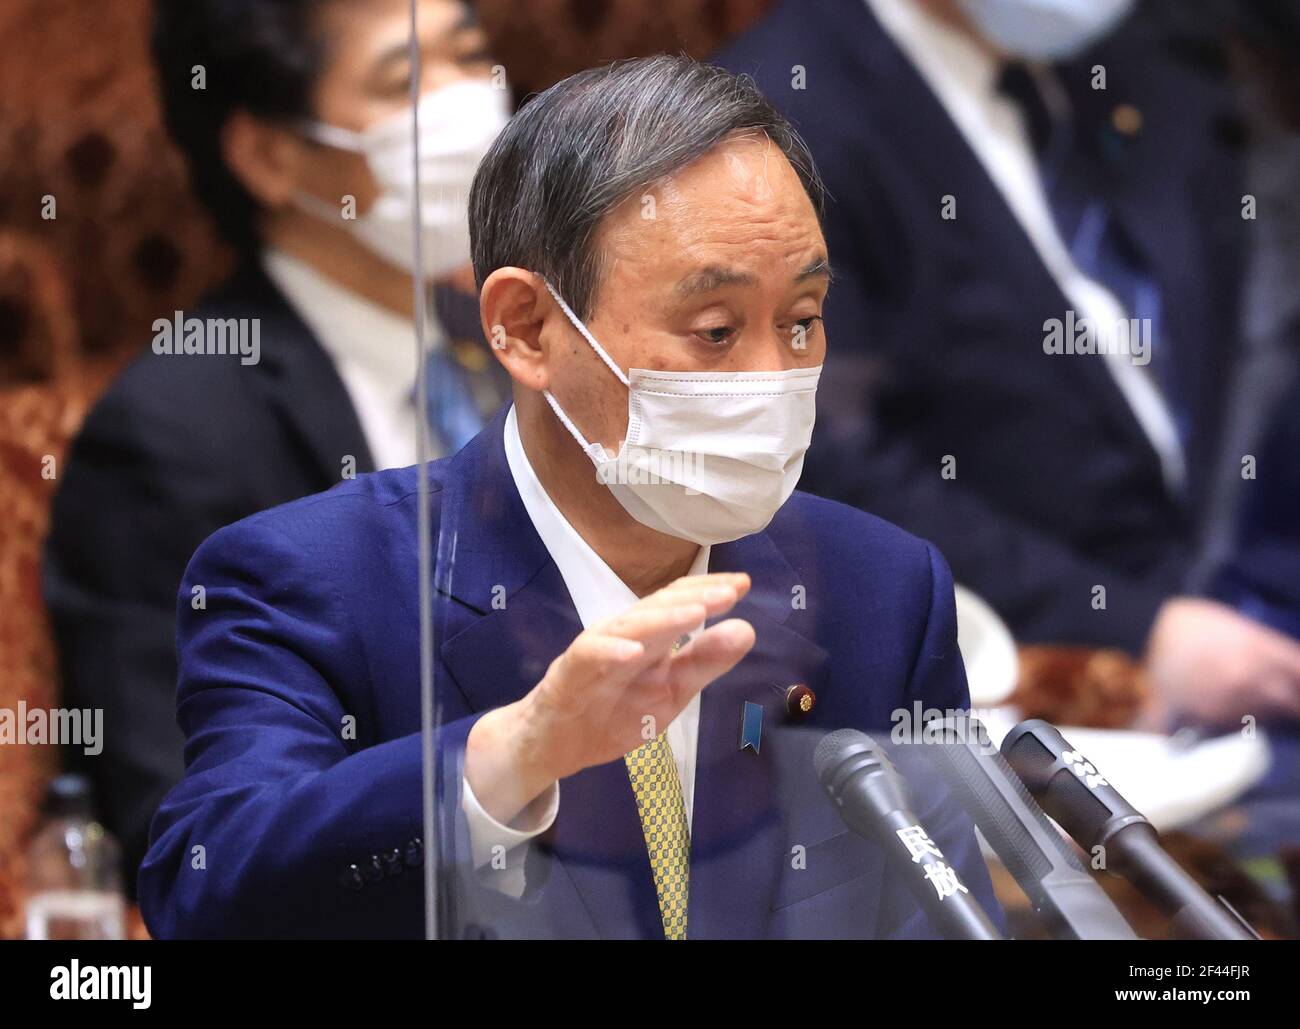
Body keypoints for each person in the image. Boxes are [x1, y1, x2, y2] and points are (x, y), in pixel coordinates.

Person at [138, 55, 1001, 940]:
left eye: (802, 320)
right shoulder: (315, 582)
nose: (773, 378)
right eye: (715, 330)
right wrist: (507, 760)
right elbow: (206, 895)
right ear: (526, 328)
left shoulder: (882, 593)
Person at [715, 0, 1300, 726]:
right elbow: (815, 462)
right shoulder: (776, 122)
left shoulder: (1150, 56)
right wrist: (1133, 627)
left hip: (1246, 578)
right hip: (1027, 674)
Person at [43, 0, 510, 894]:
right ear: (270, 154)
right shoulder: (170, 434)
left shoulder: (521, 345)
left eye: (469, 56)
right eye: (406, 79)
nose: (469, 104)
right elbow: (187, 827)